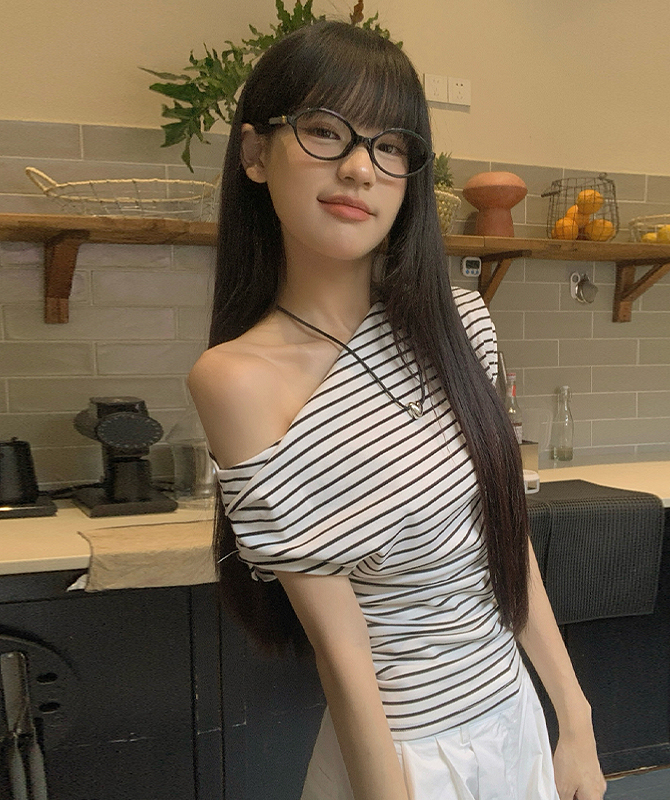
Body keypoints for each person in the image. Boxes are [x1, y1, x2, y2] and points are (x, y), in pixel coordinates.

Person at [188, 19, 607, 800]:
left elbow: (505, 545)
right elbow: (342, 653)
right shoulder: (238, 381)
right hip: (407, 757)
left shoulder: (461, 324)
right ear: (254, 153)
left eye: (390, 146)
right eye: (324, 130)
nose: (359, 168)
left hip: (513, 717)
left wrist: (574, 720)